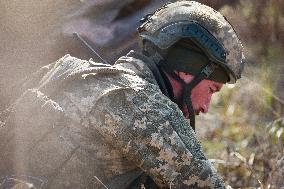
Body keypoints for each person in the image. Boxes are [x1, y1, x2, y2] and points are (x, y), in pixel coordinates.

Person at [0, 1, 244, 188]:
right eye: (212, 90)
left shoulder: (79, 71)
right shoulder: (143, 104)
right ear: (187, 70)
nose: (206, 107)